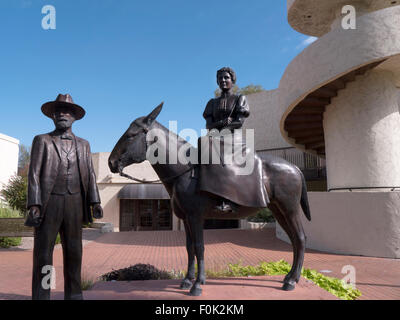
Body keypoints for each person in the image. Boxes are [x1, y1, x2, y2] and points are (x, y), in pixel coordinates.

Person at [25, 94, 103, 300]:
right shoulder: (42, 140)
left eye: (67, 111)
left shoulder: (84, 145)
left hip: (75, 203)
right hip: (49, 202)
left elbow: (91, 173)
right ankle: (43, 294)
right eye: (58, 111)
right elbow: (33, 173)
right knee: (44, 254)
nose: (63, 114)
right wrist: (34, 203)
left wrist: (95, 201)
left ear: (75, 117)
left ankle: (75, 293)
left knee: (74, 251)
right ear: (52, 116)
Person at [198, 67, 269, 212]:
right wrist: (223, 123)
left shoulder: (239, 99)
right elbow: (209, 126)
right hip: (215, 138)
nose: (223, 80)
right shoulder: (211, 103)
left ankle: (227, 199)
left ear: (232, 81)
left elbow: (239, 122)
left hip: (233, 138)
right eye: (220, 78)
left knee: (223, 158)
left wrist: (222, 126)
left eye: (226, 78)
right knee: (200, 147)